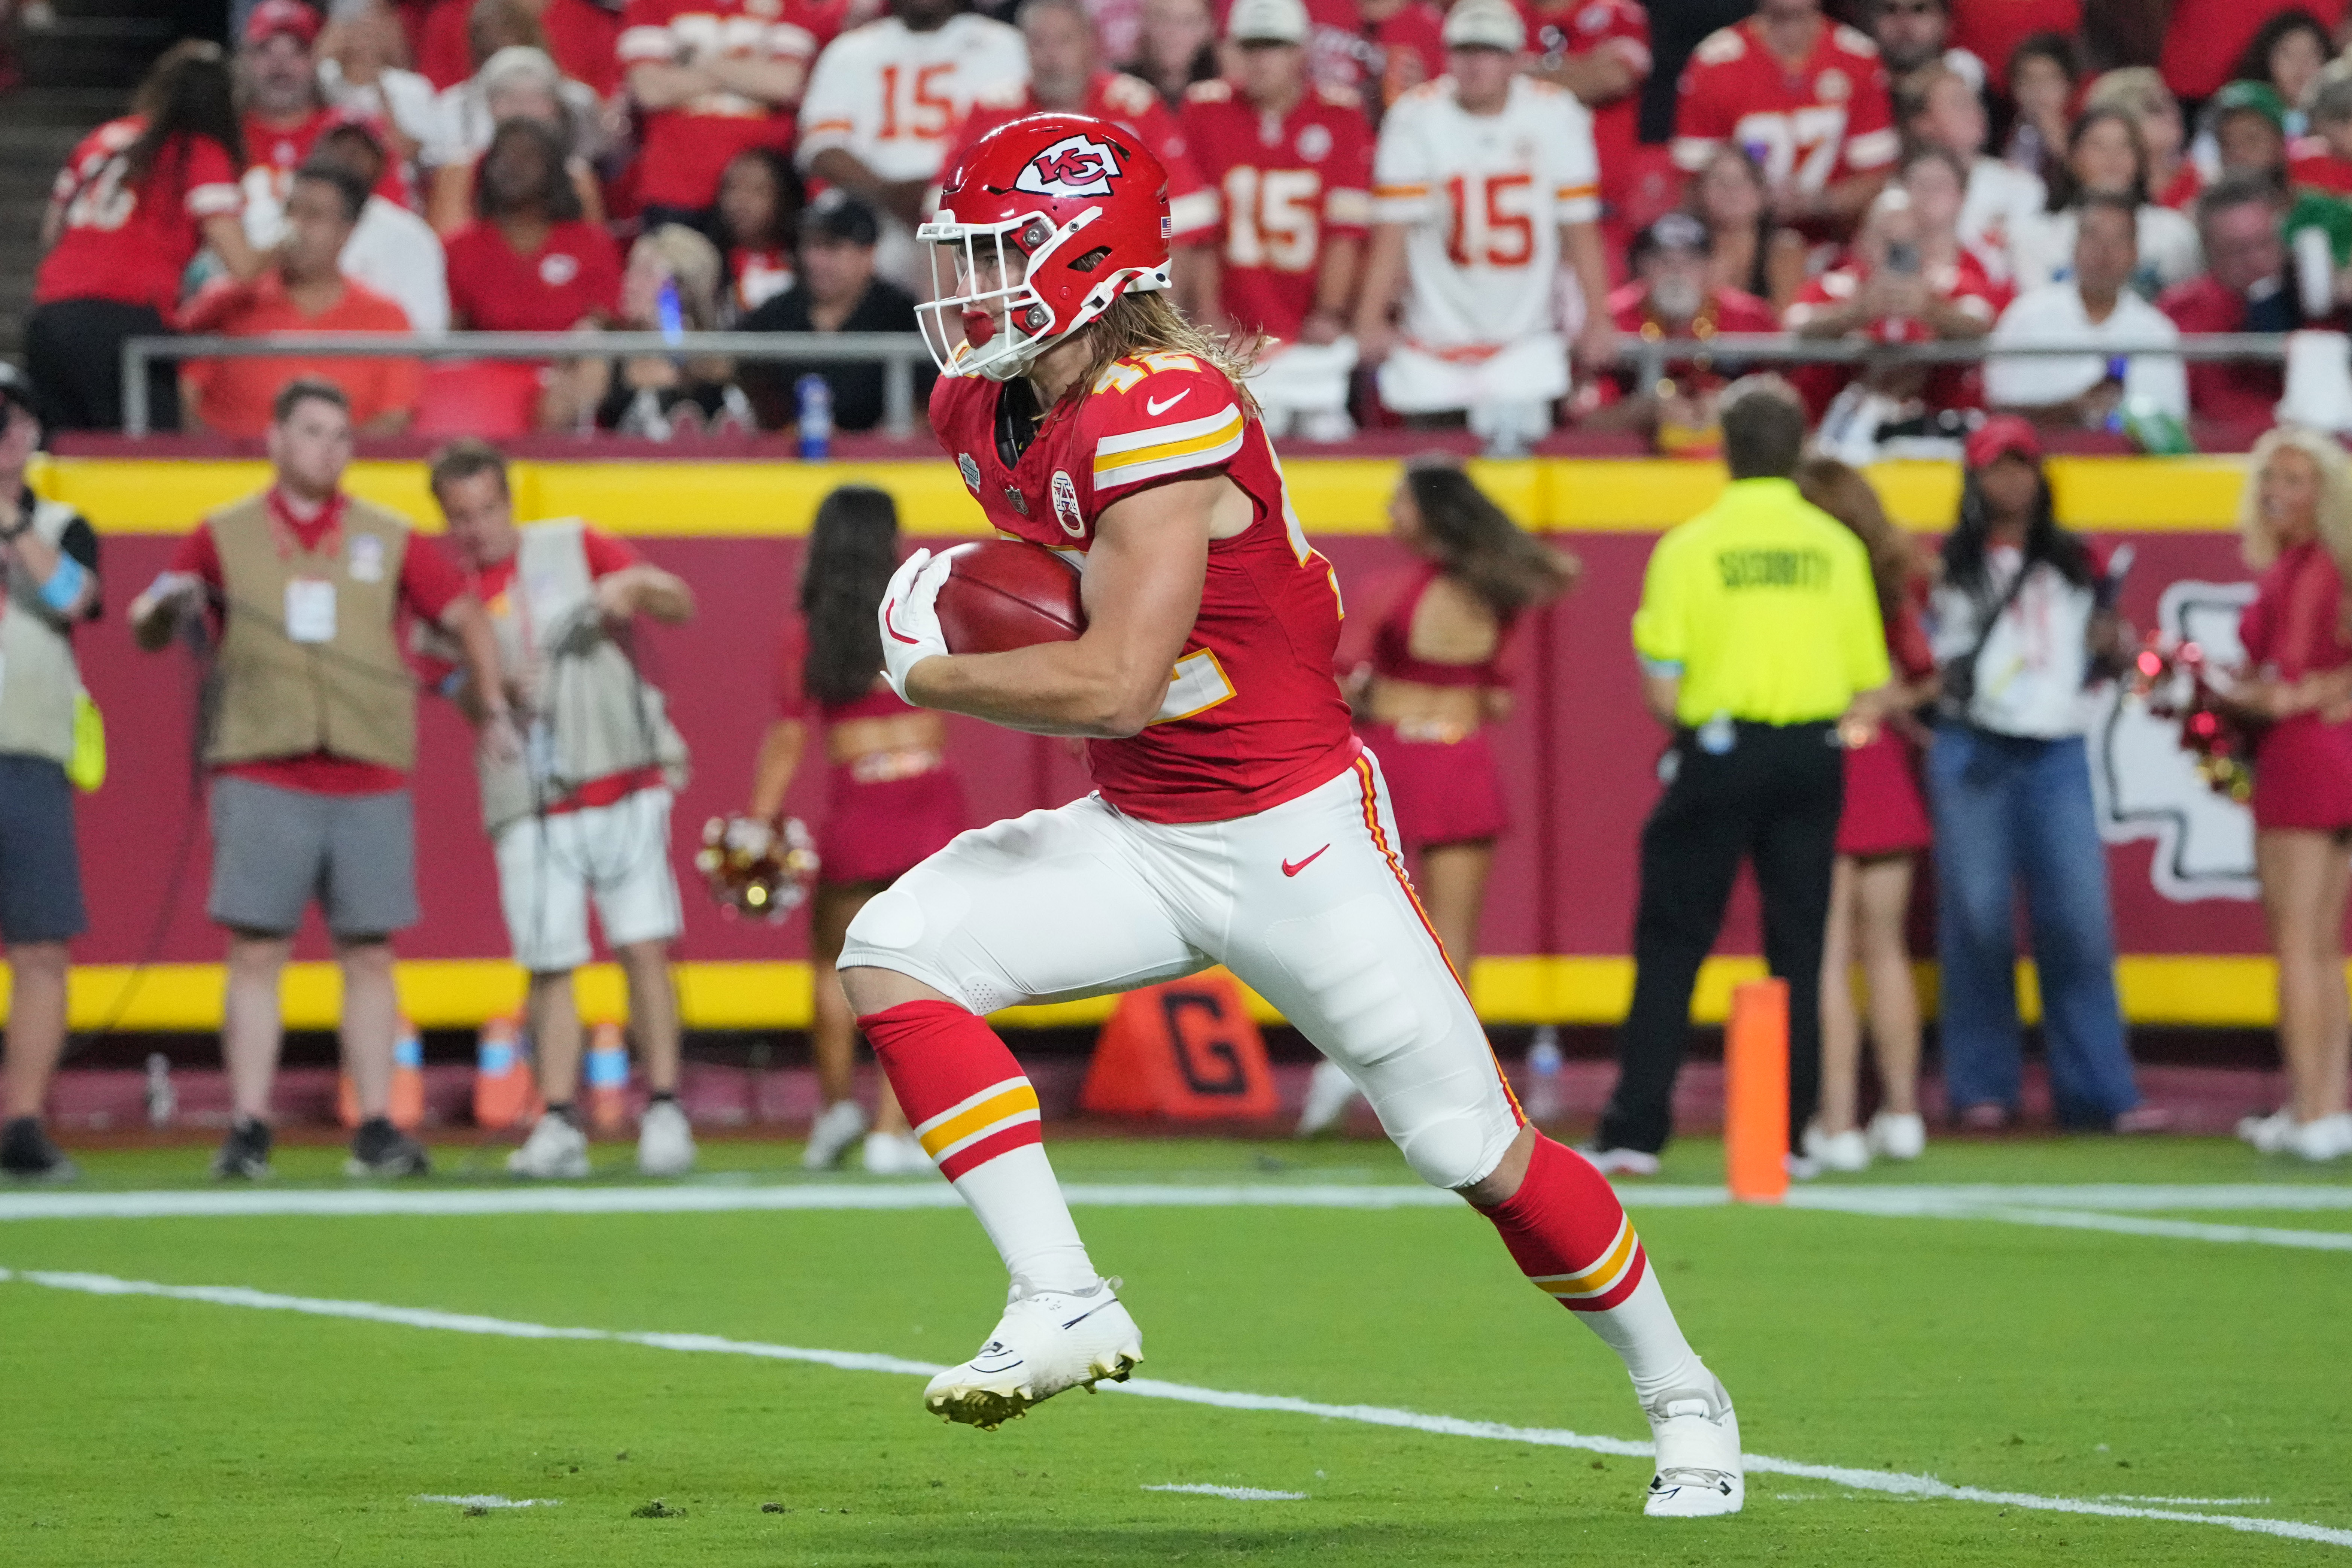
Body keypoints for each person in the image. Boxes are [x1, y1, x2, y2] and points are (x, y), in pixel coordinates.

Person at [838, 109, 1748, 1514]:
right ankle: (1062, 1293)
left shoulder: (1164, 406)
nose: (970, 287)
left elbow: (1121, 679)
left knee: (1473, 1148)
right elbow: (1095, 623)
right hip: (1142, 828)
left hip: (1291, 830)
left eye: (1001, 251)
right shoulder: (989, 407)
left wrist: (936, 667)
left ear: (1089, 257)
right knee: (896, 947)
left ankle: (1684, 1390)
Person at [128, 378, 514, 1182]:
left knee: (370, 953)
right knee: (257, 950)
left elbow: (465, 616)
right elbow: (150, 618)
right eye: (312, 432)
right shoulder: (222, 535)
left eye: (342, 434)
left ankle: (376, 1123)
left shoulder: (390, 535)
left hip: (368, 769)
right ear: (275, 440)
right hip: (262, 762)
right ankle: (248, 1125)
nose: (330, 448)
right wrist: (169, 609)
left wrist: (497, 709)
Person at [1586, 378, 1889, 1177]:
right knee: (1799, 943)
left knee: (1673, 940)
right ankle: (1790, 1135)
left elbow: (1661, 684)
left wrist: (1701, 732)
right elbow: (1870, 683)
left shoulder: (1690, 547)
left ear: (1724, 447)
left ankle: (1636, 1130)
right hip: (1812, 754)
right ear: (1800, 448)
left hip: (1720, 751)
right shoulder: (1836, 548)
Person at [426, 440, 701, 1179]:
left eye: (488, 509)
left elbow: (680, 602)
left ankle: (666, 1107)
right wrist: (491, 693)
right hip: (529, 793)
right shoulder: (445, 595)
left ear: (509, 501)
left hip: (620, 773)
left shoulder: (573, 544)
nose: (478, 526)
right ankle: (556, 1119)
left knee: (643, 942)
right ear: (445, 521)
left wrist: (633, 588)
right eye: (462, 516)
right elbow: (442, 685)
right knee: (549, 958)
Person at [1298, 462, 1577, 1136]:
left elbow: (1348, 680)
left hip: (1389, 762)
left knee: (1364, 928)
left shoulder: (1386, 590)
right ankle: (1458, 1099)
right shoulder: (1498, 597)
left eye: (1399, 500)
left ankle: (1352, 1062)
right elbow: (1500, 699)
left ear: (1427, 513)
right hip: (1461, 758)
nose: (1389, 509)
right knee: (1455, 943)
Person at [1925, 416, 2154, 1134]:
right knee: (1978, 920)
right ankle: (1981, 1083)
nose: (2012, 480)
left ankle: (2098, 1089)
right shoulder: (1945, 565)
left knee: (2079, 921)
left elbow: (2106, 657)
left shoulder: (2075, 560)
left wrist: (2114, 649)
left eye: (2023, 465)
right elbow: (1929, 659)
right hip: (1975, 743)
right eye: (1998, 467)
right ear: (1974, 478)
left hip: (2055, 745)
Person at [744, 486, 967, 1173]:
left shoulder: (806, 627)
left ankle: (836, 1107)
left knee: (831, 962)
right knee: (918, 968)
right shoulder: (919, 608)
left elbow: (787, 737)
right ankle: (888, 1131)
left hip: (856, 805)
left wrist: (759, 822)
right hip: (927, 798)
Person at [1356, 0, 1613, 453]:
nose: (1475, 64)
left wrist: (1598, 316)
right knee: (1435, 475)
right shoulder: (1416, 117)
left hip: (1525, 343)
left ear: (1517, 60)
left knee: (1518, 485)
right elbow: (1393, 232)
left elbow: (1580, 229)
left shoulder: (1556, 115)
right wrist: (1370, 315)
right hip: (1432, 343)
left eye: (1489, 52)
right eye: (1464, 51)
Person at [1791, 457, 1934, 1173]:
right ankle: (1903, 1113)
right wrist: (1881, 706)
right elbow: (1919, 672)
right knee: (1885, 950)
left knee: (1824, 953)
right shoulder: (1887, 582)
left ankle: (1838, 1119)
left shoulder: (1806, 581)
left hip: (1821, 762)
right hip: (1878, 764)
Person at [26, 40, 261, 433]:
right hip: (124, 324)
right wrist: (289, 244)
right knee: (149, 455)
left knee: (66, 460)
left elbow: (52, 232)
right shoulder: (199, 151)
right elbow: (244, 265)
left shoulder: (102, 139)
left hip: (51, 318)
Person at [2228, 428, 2352, 1162]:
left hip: (2304, 759)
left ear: (2327, 493)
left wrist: (2230, 692)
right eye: (2270, 476)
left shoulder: (2311, 568)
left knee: (2298, 946)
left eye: (2296, 479)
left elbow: (2286, 685)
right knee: (2327, 945)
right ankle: (2327, 1106)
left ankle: (2310, 1111)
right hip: (2338, 757)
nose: (2278, 491)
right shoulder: (2327, 562)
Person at [1179, 0, 1374, 440]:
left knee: (1325, 436)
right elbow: (1200, 233)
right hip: (1233, 324)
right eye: (1251, 46)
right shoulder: (1205, 111)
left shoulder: (1339, 114)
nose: (1260, 60)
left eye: (1274, 46)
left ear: (1302, 52)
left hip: (1309, 329)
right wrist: (1211, 315)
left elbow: (1346, 232)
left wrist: (1329, 310)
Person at [0, 365, 100, 1182]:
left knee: (39, 950)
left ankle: (22, 1121)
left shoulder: (63, 524)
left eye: (9, 422)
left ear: (31, 433)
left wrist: (9, 522)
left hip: (29, 757)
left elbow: (72, 598)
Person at [179, 162, 425, 440]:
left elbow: (395, 416)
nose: (295, 227)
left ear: (346, 231)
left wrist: (320, 461)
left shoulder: (385, 316)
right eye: (290, 212)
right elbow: (186, 394)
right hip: (227, 470)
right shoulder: (227, 300)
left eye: (314, 216)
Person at [1785, 153, 2008, 456]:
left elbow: (1982, 322)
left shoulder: (1948, 285)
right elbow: (1794, 326)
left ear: (1923, 242)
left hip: (1932, 433)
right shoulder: (1838, 286)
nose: (1894, 254)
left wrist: (1930, 311)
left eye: (1906, 242)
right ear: (1863, 240)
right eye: (1885, 240)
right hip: (1839, 437)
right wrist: (1856, 314)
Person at [948, 0, 1213, 247]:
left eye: (1064, 41)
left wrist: (1159, 297)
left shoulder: (1136, 106)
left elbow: (1185, 219)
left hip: (1122, 276)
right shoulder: (993, 112)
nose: (1052, 56)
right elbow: (946, 217)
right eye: (1039, 42)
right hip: (1017, 273)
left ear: (1091, 44)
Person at [794, 0, 1029, 277]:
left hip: (977, 213)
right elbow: (822, 148)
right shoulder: (850, 49)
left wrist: (941, 197)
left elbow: (1025, 139)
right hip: (872, 218)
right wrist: (892, 195)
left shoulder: (1004, 44)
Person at [1670, 0, 1900, 240]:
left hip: (1837, 241)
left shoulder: (1858, 56)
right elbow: (1691, 183)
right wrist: (1750, 205)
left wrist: (1817, 202)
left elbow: (1878, 176)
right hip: (1740, 245)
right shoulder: (1715, 62)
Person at [1575, 211, 1781, 453]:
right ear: (1642, 266)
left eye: (1689, 262)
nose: (1676, 272)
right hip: (1630, 462)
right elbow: (1580, 418)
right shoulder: (1610, 319)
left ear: (1709, 268)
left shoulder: (1751, 319)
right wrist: (1643, 411)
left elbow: (1781, 403)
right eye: (1663, 261)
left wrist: (1732, 404)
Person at [619, 0, 828, 230]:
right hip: (676, 186)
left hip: (764, 191)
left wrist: (695, 62)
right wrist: (748, 70)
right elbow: (651, 91)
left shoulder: (789, 4)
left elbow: (784, 84)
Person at [1986, 192, 2189, 428]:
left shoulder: (2158, 331)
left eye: (2118, 241)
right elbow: (2000, 412)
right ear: (2074, 247)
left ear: (2135, 254)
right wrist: (2071, 412)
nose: (2105, 252)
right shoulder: (2026, 316)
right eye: (2093, 238)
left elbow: (2173, 424)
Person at [740, 191, 934, 434]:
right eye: (810, 245)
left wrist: (867, 444)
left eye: (831, 247)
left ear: (868, 254)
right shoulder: (777, 311)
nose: (814, 260)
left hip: (879, 464)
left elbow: (928, 402)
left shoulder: (901, 314)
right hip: (783, 462)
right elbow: (734, 372)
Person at [444, 115, 623, 332]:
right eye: (503, 157)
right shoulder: (460, 248)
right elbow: (449, 336)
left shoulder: (592, 243)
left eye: (527, 156)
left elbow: (608, 323)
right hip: (486, 365)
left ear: (553, 170)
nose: (512, 167)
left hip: (573, 363)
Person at [2009, 106, 2204, 298]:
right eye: (2098, 146)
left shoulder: (2175, 234)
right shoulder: (2033, 235)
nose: (2112, 157)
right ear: (2073, 159)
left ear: (2140, 159)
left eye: (2124, 146)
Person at [2161, 175, 2304, 435]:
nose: (2256, 260)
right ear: (2208, 251)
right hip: (2214, 459)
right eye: (2238, 250)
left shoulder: (2318, 303)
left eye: (2266, 243)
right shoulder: (2180, 312)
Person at [238, 0, 408, 218]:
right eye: (265, 50)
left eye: (298, 50)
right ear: (245, 59)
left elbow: (391, 222)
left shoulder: (353, 135)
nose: (280, 64)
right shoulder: (223, 134)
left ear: (317, 59)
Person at [587, 224, 756, 437]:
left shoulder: (718, 364)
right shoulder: (603, 347)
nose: (629, 283)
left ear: (683, 287)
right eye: (630, 269)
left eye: (646, 272)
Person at [291, 118, 452, 337]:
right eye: (337, 147)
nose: (346, 158)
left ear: (380, 165)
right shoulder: (276, 219)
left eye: (359, 152)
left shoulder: (410, 235)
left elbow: (427, 330)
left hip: (375, 361)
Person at [424, 45, 606, 236]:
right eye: (509, 98)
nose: (521, 110)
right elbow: (450, 242)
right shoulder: (460, 175)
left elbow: (590, 247)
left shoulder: (577, 178)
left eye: (534, 99)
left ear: (554, 108)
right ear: (491, 106)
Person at [1517, 0, 1653, 234]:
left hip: (1601, 209)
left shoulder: (1618, 12)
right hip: (1519, 205)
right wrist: (1582, 67)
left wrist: (1520, 74)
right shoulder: (1501, 12)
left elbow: (1611, 77)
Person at [1904, 61, 2043, 280]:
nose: (1975, 112)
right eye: (1959, 104)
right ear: (1923, 123)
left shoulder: (2022, 186)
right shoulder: (1900, 192)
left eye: (1976, 101)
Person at [1687, 143, 1806, 314]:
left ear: (1762, 194)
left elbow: (1786, 319)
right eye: (1719, 182)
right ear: (1700, 193)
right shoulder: (1686, 252)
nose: (1730, 192)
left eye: (1742, 182)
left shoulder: (1783, 250)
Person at [2081, 66, 2198, 212]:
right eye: (2154, 109)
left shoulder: (2205, 184)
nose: (2172, 114)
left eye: (2170, 102)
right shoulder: (2097, 199)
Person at [717, 146, 801, 319]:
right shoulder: (710, 263)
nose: (740, 201)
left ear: (783, 199)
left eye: (758, 190)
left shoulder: (805, 266)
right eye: (732, 188)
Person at [2001, 32, 2075, 183]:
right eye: (2027, 80)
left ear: (2068, 85)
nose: (2037, 89)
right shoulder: (2001, 127)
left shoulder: (2084, 130)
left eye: (2048, 79)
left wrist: (2061, 147)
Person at [1123, 0, 1216, 107]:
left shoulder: (1225, 92)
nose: (1174, 32)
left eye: (1189, 21)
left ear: (1211, 29)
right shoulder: (1118, 87)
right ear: (1144, 21)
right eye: (1162, 18)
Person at [1867, 0, 1980, 88]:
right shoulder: (1857, 83)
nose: (1905, 24)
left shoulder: (1972, 85)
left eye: (1919, 10)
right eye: (1891, 10)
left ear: (1948, 21)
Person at [2206, 80, 2293, 188]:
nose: (2239, 153)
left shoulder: (2313, 198)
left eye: (2252, 139)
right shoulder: (2208, 202)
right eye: (2228, 143)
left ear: (2279, 141)